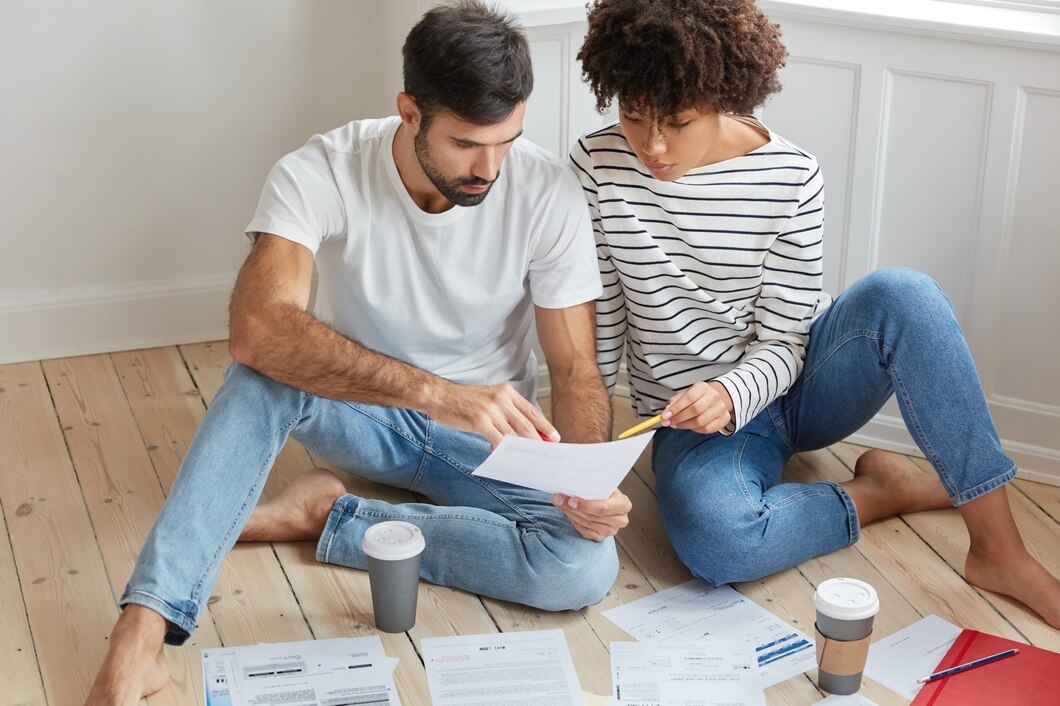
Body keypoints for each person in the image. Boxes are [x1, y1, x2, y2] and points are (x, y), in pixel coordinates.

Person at [86, 2, 633, 703]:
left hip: (492, 443)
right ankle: (140, 633)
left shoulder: (546, 190)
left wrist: (584, 476)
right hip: (369, 417)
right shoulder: (323, 169)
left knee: (581, 571)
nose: (489, 168)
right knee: (261, 377)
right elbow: (258, 329)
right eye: (467, 143)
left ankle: (330, 518)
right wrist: (439, 394)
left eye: (507, 140)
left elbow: (576, 371)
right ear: (410, 111)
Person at [569, 0, 1060, 629]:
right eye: (634, 118)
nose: (654, 146)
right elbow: (598, 328)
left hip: (800, 385)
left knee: (906, 295)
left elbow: (787, 342)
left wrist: (731, 389)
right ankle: (883, 493)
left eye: (678, 122)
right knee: (719, 544)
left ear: (722, 97)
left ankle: (1001, 551)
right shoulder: (597, 166)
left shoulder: (790, 174)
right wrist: (588, 458)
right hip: (690, 421)